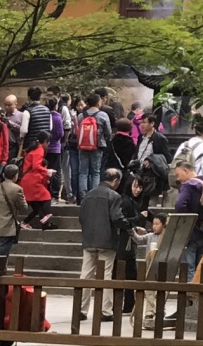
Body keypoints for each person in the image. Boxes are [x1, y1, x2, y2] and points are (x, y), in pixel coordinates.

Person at [78, 168, 127, 322]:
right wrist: (129, 226)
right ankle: (105, 311)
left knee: (86, 274)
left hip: (89, 238)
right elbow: (116, 218)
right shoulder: (114, 195)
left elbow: (81, 217)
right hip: (107, 239)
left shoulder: (88, 195)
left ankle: (80, 309)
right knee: (106, 275)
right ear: (116, 181)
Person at [173, 158, 203, 282]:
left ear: (185, 171)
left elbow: (180, 205)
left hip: (191, 234)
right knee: (202, 269)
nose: (178, 179)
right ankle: (199, 299)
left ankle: (189, 298)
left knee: (189, 269)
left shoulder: (188, 185)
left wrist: (184, 223)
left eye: (178, 174)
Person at [117, 174, 155, 313]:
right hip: (124, 243)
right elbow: (124, 221)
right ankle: (126, 303)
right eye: (135, 186)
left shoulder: (135, 201)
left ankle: (129, 303)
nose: (138, 190)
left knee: (130, 273)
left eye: (140, 187)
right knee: (126, 272)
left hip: (130, 242)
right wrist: (139, 218)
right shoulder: (125, 201)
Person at [0, 164, 32, 257]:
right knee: (1, 259)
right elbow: (24, 208)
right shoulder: (17, 189)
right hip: (6, 227)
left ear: (3, 175)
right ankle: (0, 271)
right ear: (16, 176)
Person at [75, 91, 112, 202]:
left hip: (82, 146)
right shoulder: (102, 115)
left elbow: (76, 131)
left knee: (83, 172)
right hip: (97, 146)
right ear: (98, 102)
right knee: (95, 172)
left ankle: (83, 196)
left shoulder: (81, 115)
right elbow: (108, 132)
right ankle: (94, 196)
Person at [18, 133, 55, 230]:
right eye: (48, 142)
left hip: (27, 179)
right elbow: (36, 166)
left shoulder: (33, 148)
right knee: (46, 196)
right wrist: (47, 171)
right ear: (45, 141)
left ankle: (42, 222)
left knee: (36, 205)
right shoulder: (39, 150)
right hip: (32, 179)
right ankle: (45, 215)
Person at [45, 97, 64, 197]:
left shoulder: (45, 116)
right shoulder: (57, 116)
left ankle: (47, 190)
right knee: (56, 170)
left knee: (46, 169)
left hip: (45, 147)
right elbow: (61, 133)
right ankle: (55, 193)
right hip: (56, 147)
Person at [110, 118, 137, 183]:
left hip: (113, 166)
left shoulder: (113, 140)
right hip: (125, 167)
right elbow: (132, 154)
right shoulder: (129, 141)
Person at [2, 94, 24, 158]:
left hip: (14, 147)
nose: (6, 107)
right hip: (2, 146)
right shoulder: (3, 116)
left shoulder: (21, 115)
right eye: (5, 105)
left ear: (15, 104)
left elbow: (22, 130)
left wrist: (10, 123)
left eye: (9, 105)